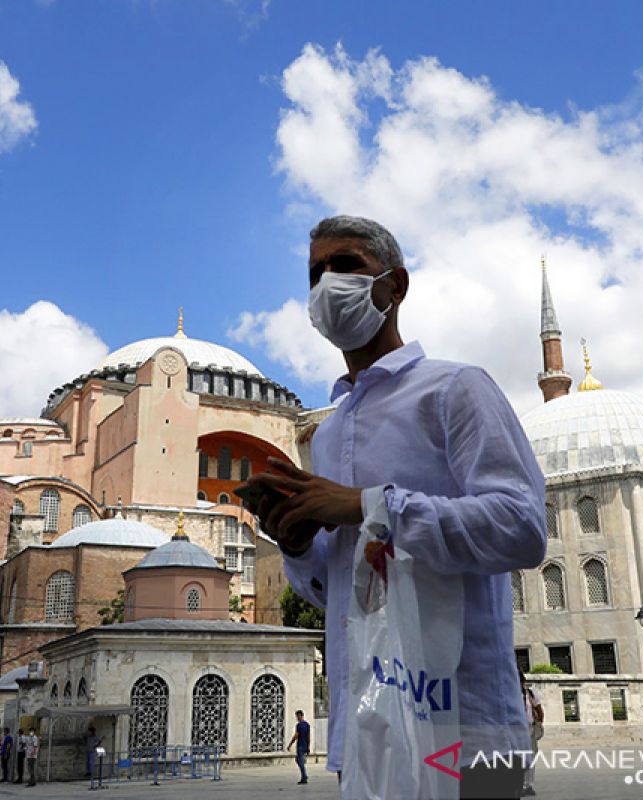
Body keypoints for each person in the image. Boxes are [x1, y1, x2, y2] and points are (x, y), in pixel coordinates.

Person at [243, 216, 546, 800]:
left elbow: (522, 528)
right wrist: (300, 542)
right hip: (367, 734)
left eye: (346, 266)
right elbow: (342, 587)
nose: (328, 283)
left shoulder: (456, 389)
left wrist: (366, 505)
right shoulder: (328, 436)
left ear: (394, 285)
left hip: (466, 723)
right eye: (315, 273)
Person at [520, 675, 544, 797]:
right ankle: (522, 784)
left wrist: (538, 724)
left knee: (531, 758)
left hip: (530, 729)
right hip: (517, 731)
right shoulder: (510, 694)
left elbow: (539, 710)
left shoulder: (530, 693)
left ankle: (529, 785)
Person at [286, 709, 312, 784]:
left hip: (300, 745)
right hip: (305, 745)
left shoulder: (299, 725)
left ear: (300, 716)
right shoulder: (307, 725)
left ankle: (304, 776)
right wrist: (308, 746)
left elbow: (296, 735)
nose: (297, 718)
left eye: (297, 716)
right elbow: (308, 737)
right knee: (298, 760)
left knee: (300, 761)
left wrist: (290, 744)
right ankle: (304, 775)